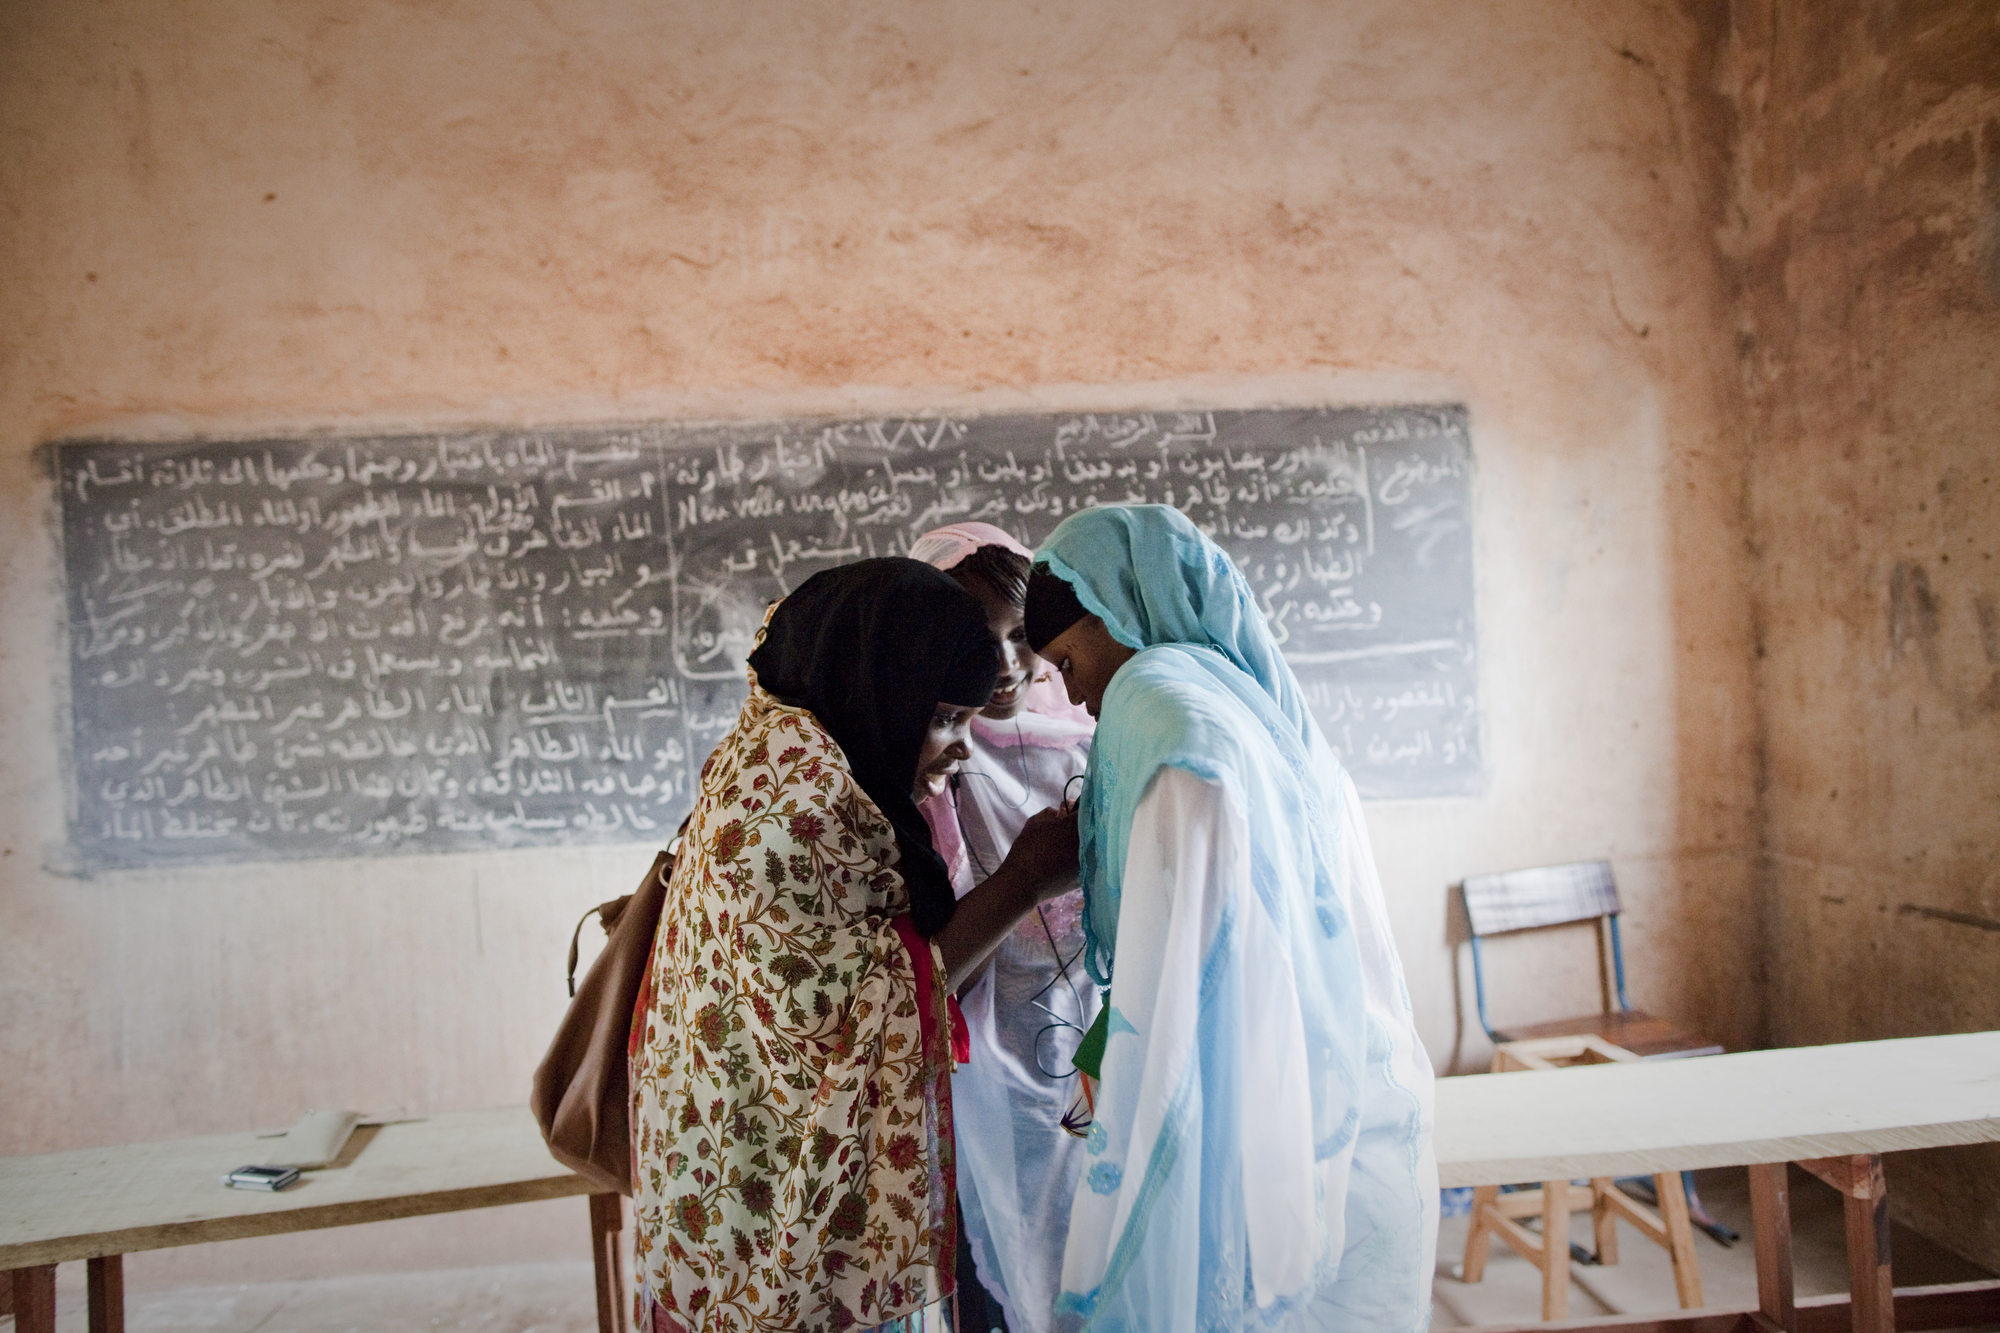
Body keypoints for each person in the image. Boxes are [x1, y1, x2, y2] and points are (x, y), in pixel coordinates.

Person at [629, 558, 1079, 1333]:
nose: (960, 748)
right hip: (770, 1218)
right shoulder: (802, 815)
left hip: (727, 1194)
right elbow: (867, 1015)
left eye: (969, 719)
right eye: (941, 718)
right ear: (879, 692)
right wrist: (1022, 883)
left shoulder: (786, 748)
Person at [1022, 505, 1438, 1333]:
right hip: (1354, 1124)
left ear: (1121, 610)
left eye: (1068, 658)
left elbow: (1191, 940)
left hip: (1287, 1152)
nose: (1070, 692)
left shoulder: (1163, 699)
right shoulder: (1257, 705)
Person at [908, 523, 1099, 1333]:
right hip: (975, 1073)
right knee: (995, 1276)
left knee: (1098, 1256)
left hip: (1091, 1050)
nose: (1008, 666)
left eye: (1023, 635)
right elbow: (929, 963)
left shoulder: (1095, 733)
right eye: (976, 640)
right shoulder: (926, 752)